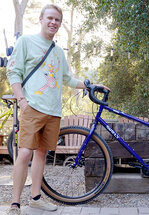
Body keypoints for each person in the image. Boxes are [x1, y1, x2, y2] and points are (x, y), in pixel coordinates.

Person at [6, 4, 108, 215]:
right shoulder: (26, 41)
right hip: (32, 106)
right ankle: (15, 204)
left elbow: (66, 79)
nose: (53, 22)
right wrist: (22, 100)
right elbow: (13, 71)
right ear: (41, 19)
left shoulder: (58, 51)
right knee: (24, 152)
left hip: (53, 110)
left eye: (57, 20)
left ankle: (35, 198)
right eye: (50, 18)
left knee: (41, 153)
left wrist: (90, 85)